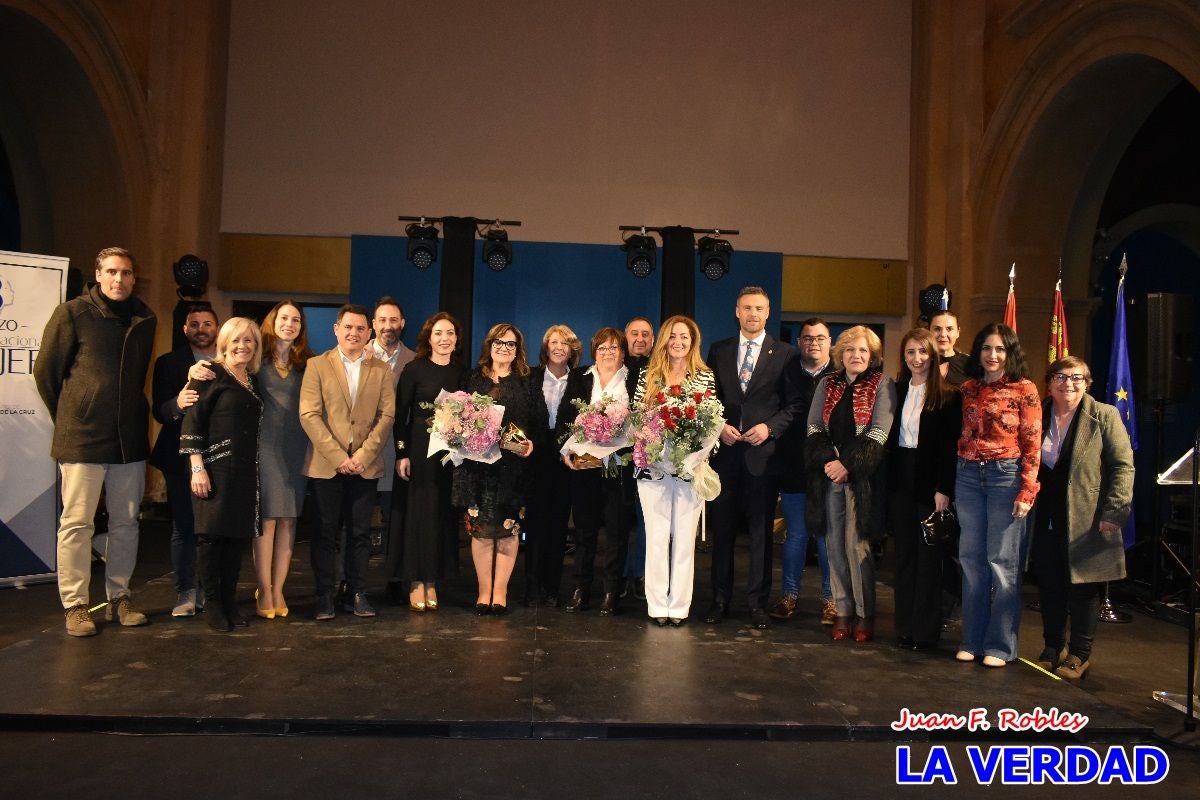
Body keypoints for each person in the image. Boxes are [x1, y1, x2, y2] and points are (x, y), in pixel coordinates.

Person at [34, 246, 156, 636]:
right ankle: (76, 605)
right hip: (82, 439)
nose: (119, 279)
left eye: (126, 273)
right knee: (76, 524)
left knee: (127, 524)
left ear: (134, 278)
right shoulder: (72, 314)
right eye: (112, 272)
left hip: (130, 442)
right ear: (98, 276)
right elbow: (46, 375)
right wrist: (75, 415)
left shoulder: (145, 318)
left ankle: (119, 597)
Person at [1031, 357, 1134, 679]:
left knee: (1084, 588)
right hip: (1044, 514)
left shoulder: (1104, 415)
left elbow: (1122, 466)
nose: (1068, 383)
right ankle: (1052, 647)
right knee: (1049, 584)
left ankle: (1079, 654)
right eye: (1060, 377)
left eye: (1077, 377)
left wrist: (1115, 511)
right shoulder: (1038, 413)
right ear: (1049, 382)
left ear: (1087, 382)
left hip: (1087, 517)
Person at [705, 286, 799, 629]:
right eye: (747, 308)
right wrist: (718, 427)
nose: (753, 313)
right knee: (723, 531)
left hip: (763, 457)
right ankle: (719, 599)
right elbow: (707, 399)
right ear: (737, 311)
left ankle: (758, 604)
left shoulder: (786, 353)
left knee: (760, 534)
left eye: (759, 308)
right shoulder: (718, 351)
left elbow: (793, 405)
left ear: (768, 311)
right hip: (727, 455)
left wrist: (769, 429)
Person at [299, 304, 396, 620]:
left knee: (360, 534)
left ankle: (356, 592)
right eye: (348, 327)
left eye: (360, 329)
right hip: (327, 466)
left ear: (369, 333)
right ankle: (325, 595)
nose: (354, 333)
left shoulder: (380, 369)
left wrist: (362, 457)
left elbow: (387, 416)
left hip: (365, 467)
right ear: (336, 329)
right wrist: (340, 457)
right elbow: (309, 415)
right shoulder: (317, 365)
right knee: (325, 534)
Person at [954, 323, 1040, 667]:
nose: (992, 355)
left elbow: (1032, 443)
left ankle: (1000, 646)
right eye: (987, 348)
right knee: (971, 562)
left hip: (1006, 477)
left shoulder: (1025, 389)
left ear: (1010, 353)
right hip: (968, 475)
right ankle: (971, 640)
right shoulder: (968, 388)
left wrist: (1027, 490)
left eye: (1000, 349)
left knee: (1002, 563)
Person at [805, 325, 896, 643]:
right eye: (850, 349)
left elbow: (879, 433)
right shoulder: (826, 384)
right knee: (834, 548)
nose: (856, 355)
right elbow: (814, 426)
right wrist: (830, 462)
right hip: (829, 476)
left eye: (863, 350)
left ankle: (864, 614)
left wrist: (849, 466)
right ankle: (842, 611)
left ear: (872, 356)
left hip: (862, 481)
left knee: (857, 547)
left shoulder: (882, 384)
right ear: (839, 353)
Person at [634, 316, 719, 626]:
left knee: (684, 541)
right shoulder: (648, 375)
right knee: (656, 540)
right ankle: (657, 606)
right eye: (673, 337)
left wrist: (699, 457)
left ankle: (679, 607)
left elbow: (713, 422)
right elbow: (638, 420)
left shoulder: (705, 377)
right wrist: (650, 446)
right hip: (653, 471)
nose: (679, 342)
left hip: (690, 470)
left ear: (693, 341)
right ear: (664, 342)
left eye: (685, 336)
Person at [453, 323, 542, 615]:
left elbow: (538, 421)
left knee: (508, 529)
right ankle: (483, 591)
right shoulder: (472, 378)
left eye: (511, 344)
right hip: (476, 469)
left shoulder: (526, 382)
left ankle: (500, 590)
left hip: (512, 469)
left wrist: (531, 443)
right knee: (479, 531)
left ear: (518, 350)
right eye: (499, 342)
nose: (504, 348)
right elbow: (457, 417)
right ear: (489, 345)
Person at [181, 318, 264, 632]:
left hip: (243, 473)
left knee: (234, 540)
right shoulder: (207, 374)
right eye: (236, 340)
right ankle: (213, 605)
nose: (242, 346)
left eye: (249, 341)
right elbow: (192, 423)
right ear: (225, 342)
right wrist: (197, 467)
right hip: (213, 469)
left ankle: (229, 602)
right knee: (211, 538)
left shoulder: (251, 379)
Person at [886, 328, 961, 649]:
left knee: (929, 561)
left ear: (933, 355)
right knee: (903, 557)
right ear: (903, 356)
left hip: (931, 484)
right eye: (910, 352)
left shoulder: (948, 396)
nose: (917, 358)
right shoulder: (896, 390)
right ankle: (904, 628)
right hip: (899, 479)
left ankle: (925, 633)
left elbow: (949, 448)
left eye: (922, 352)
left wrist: (944, 488)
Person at [560, 327, 639, 615]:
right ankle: (581, 588)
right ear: (594, 351)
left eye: (615, 348)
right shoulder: (580, 377)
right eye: (602, 348)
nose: (608, 353)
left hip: (619, 466)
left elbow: (641, 420)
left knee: (617, 532)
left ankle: (611, 592)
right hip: (585, 465)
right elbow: (565, 419)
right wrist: (565, 450)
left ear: (623, 352)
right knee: (584, 531)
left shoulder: (633, 379)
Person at [393, 312, 466, 611]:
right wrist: (402, 453)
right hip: (420, 453)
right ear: (428, 337)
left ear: (456, 339)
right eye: (438, 333)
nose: (444, 338)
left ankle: (433, 580)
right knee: (418, 517)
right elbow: (401, 417)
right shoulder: (414, 370)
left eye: (449, 333)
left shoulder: (461, 373)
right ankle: (415, 581)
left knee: (441, 517)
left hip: (449, 456)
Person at [149, 302, 218, 617]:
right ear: (185, 329)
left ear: (217, 328)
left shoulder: (228, 363)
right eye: (195, 324)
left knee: (214, 528)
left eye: (207, 323)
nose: (201, 329)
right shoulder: (168, 362)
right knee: (184, 526)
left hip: (220, 457)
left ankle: (209, 588)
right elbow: (159, 412)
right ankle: (185, 591)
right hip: (180, 458)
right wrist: (176, 402)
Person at [771, 318, 837, 625]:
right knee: (795, 536)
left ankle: (830, 600)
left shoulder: (840, 375)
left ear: (830, 342)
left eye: (820, 338)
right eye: (808, 338)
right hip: (793, 468)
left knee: (825, 538)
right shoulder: (786, 372)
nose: (814, 343)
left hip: (829, 469)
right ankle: (789, 596)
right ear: (800, 342)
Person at [253, 300, 314, 618]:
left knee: (289, 520)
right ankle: (264, 589)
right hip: (265, 446)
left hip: (298, 448)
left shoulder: (309, 363)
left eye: (295, 320)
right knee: (268, 520)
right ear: (272, 322)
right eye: (284, 318)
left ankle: (279, 588)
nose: (289, 324)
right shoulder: (255, 359)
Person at [524, 324, 581, 607]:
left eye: (565, 343)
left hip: (564, 461)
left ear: (572, 350)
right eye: (554, 342)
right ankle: (532, 586)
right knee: (534, 524)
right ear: (545, 348)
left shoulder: (580, 381)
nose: (559, 347)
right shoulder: (530, 377)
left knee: (558, 527)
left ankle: (552, 588)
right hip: (534, 461)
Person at [371, 297, 415, 545]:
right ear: (374, 323)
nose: (389, 325)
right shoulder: (356, 355)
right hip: (361, 453)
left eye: (394, 320)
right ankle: (350, 581)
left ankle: (394, 580)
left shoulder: (416, 361)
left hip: (399, 453)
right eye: (383, 320)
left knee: (396, 523)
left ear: (403, 324)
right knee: (354, 523)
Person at [621, 316, 656, 602]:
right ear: (626, 338)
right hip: (618, 457)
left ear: (653, 340)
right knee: (619, 520)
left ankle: (643, 575)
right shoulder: (615, 368)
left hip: (650, 457)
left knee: (646, 519)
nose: (640, 339)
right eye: (635, 334)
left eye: (646, 334)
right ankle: (620, 575)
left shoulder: (659, 370)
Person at [930, 310, 969, 386]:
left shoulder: (970, 364)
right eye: (937, 329)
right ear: (929, 331)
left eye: (949, 329)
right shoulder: (921, 362)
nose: (943, 334)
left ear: (958, 332)